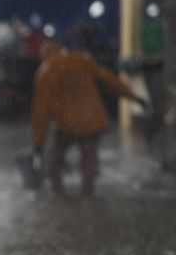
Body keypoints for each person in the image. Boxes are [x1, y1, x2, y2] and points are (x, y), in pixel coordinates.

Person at [31, 38, 148, 196]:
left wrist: (38, 142)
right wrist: (135, 98)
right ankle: (88, 197)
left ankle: (59, 199)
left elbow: (41, 111)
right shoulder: (82, 62)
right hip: (91, 121)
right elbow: (111, 80)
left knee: (55, 162)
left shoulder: (46, 72)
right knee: (89, 161)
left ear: (44, 56)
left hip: (66, 124)